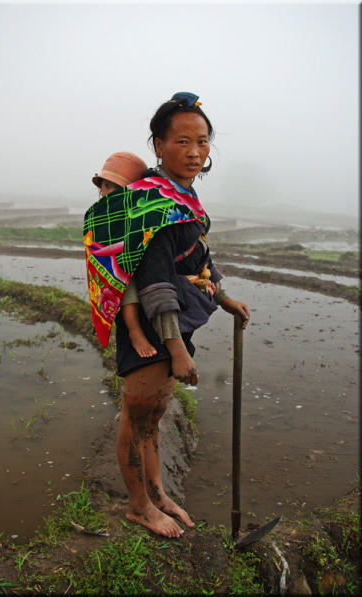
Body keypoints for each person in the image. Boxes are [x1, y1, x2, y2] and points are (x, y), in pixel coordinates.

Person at [111, 92, 250, 538]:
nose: (194, 151)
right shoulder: (155, 203)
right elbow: (155, 282)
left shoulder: (184, 196)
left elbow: (198, 256)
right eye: (182, 141)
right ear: (158, 145)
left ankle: (157, 494)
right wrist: (176, 350)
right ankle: (139, 507)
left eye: (203, 141)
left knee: (154, 417)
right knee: (136, 420)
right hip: (154, 326)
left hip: (176, 321)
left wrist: (222, 295)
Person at [91, 151, 157, 358]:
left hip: (149, 274)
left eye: (119, 189)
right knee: (122, 274)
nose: (111, 193)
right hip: (121, 275)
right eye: (107, 186)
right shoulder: (100, 216)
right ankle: (134, 331)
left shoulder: (141, 215)